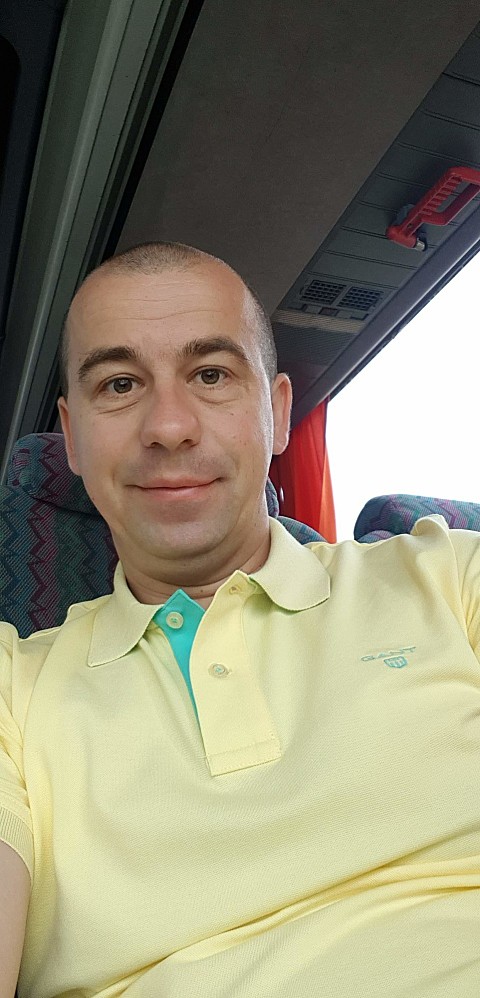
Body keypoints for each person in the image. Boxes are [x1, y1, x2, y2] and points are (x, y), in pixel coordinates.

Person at [0, 241, 479, 998]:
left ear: (278, 413)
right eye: (120, 384)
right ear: (73, 437)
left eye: (212, 375)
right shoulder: (12, 689)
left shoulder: (450, 575)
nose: (169, 426)